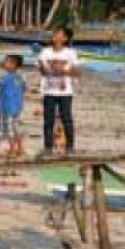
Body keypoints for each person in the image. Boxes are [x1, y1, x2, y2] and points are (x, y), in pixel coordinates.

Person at [38, 26, 79, 154]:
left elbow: (76, 72)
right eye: (55, 33)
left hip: (65, 91)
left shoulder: (70, 52)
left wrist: (63, 71)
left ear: (65, 39)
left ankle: (70, 147)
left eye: (59, 34)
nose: (55, 36)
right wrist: (45, 67)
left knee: (67, 118)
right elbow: (42, 71)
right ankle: (48, 147)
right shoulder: (45, 52)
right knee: (48, 120)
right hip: (49, 91)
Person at [0, 54, 27, 156]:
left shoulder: (7, 77)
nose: (5, 63)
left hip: (8, 106)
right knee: (16, 128)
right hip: (17, 107)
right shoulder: (20, 77)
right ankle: (20, 148)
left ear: (14, 65)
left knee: (9, 129)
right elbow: (23, 89)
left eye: (7, 62)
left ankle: (12, 149)